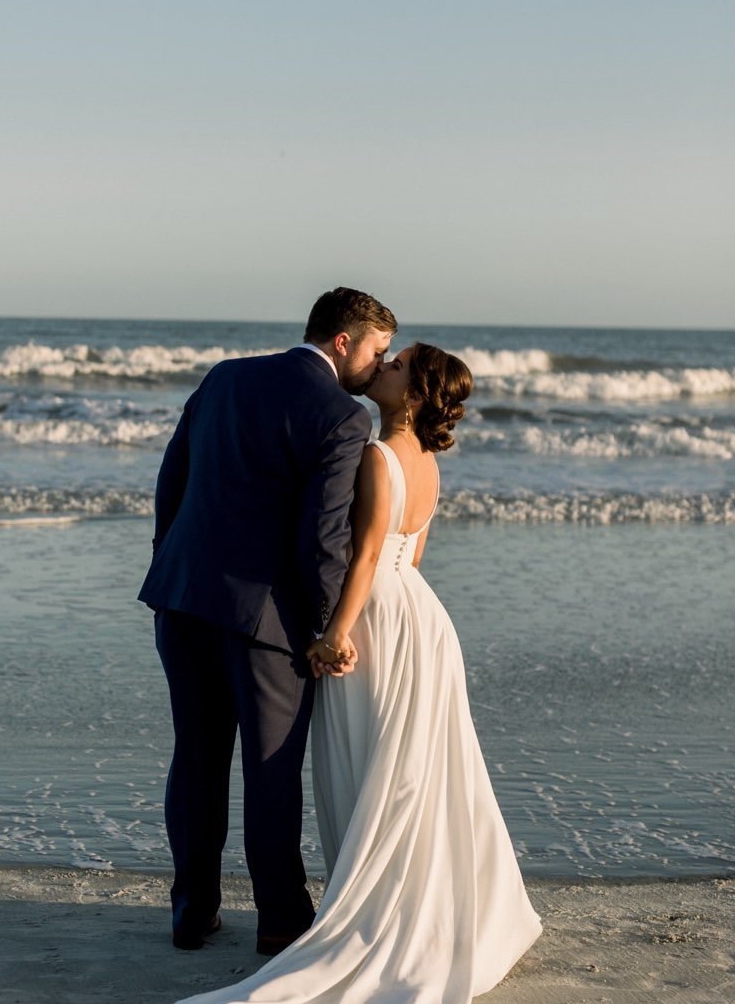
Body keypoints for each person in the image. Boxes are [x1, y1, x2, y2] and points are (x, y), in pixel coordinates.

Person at [177, 343, 541, 1003]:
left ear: (413, 392)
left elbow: (365, 554)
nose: (384, 366)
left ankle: (377, 913)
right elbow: (413, 552)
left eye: (397, 365)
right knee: (411, 772)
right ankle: (418, 909)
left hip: (371, 618)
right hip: (420, 620)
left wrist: (334, 634)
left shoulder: (377, 455)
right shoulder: (429, 463)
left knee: (372, 770)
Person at [139, 287, 397, 953]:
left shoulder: (225, 375)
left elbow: (174, 479)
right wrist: (324, 628)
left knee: (195, 759)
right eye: (377, 350)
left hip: (184, 596)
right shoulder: (341, 416)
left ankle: (191, 913)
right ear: (343, 342)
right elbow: (323, 539)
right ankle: (280, 919)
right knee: (270, 768)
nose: (379, 365)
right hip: (267, 619)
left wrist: (170, 567)